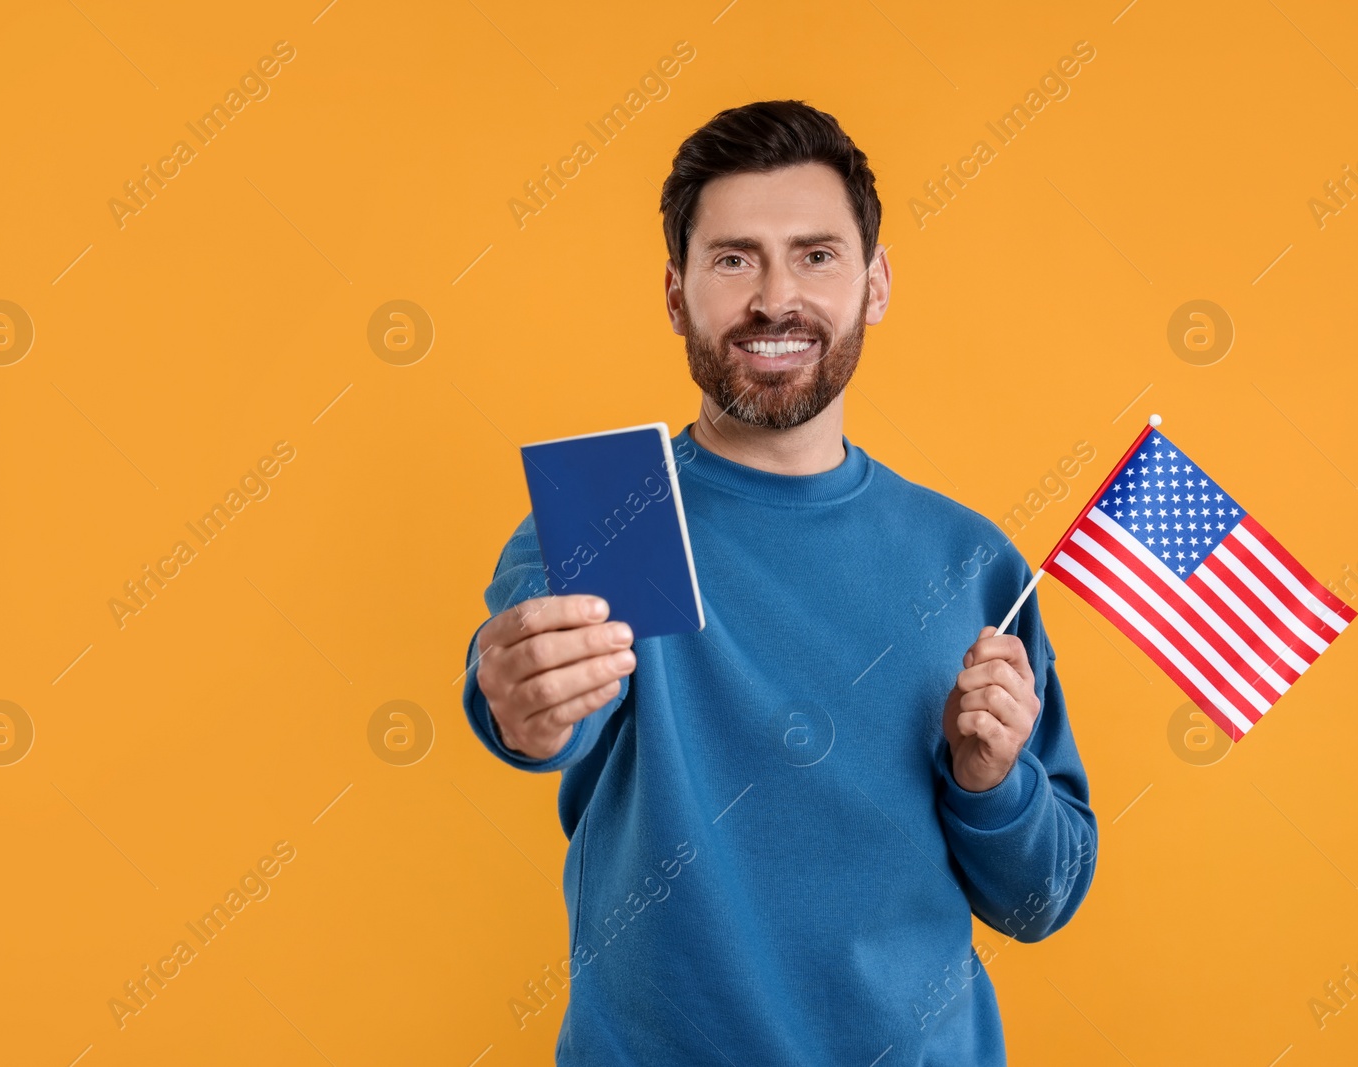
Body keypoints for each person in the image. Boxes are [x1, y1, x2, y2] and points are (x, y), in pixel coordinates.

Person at [460, 99, 1097, 1065]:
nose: (773, 298)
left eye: (815, 255)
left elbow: (1041, 900)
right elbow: (543, 716)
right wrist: (518, 703)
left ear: (875, 283)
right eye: (733, 259)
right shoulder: (618, 509)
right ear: (676, 294)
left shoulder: (970, 558)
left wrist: (992, 783)